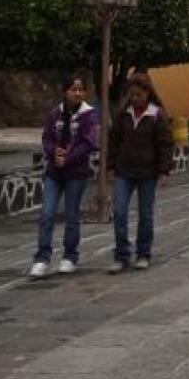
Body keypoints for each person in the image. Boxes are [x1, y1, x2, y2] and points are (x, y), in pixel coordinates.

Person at [29, 75, 98, 277]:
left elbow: (88, 143)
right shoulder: (55, 114)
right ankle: (42, 258)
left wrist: (68, 157)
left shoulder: (89, 116)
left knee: (71, 216)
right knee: (47, 214)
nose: (77, 93)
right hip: (54, 172)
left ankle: (70, 256)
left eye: (80, 89)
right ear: (65, 92)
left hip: (76, 172)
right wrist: (54, 153)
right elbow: (47, 138)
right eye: (73, 89)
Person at [108, 73, 173, 273]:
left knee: (145, 215)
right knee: (119, 212)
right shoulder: (122, 115)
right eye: (132, 95)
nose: (135, 99)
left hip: (147, 172)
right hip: (124, 171)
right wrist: (110, 166)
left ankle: (143, 253)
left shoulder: (157, 116)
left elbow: (165, 145)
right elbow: (114, 141)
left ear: (147, 93)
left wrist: (163, 171)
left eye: (139, 95)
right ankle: (121, 255)